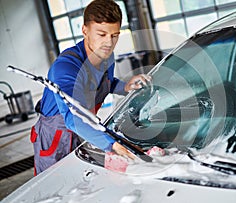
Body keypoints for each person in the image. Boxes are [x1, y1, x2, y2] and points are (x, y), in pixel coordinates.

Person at [30, 0, 151, 175]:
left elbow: (105, 84)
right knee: (55, 183)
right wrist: (112, 144)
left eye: (114, 35)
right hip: (56, 136)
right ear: (85, 31)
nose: (109, 43)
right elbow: (73, 118)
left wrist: (124, 86)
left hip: (85, 128)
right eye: (101, 34)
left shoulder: (106, 56)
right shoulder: (65, 67)